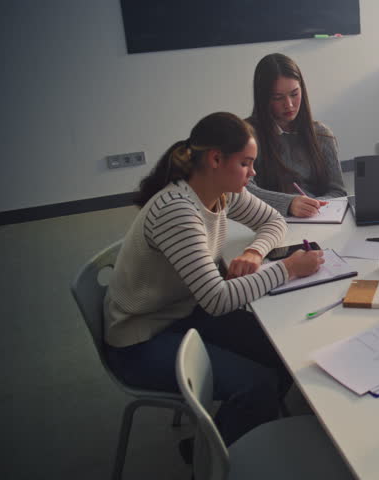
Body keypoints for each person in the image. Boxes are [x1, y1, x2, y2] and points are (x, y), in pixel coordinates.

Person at [103, 112, 325, 445]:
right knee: (257, 383)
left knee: (280, 351)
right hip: (140, 339)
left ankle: (233, 432)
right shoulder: (178, 211)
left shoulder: (222, 190)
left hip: (180, 312)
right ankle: (214, 454)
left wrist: (254, 253)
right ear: (216, 159)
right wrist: (288, 268)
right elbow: (217, 299)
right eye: (246, 164)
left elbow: (274, 221)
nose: (252, 174)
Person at [246, 53, 347, 218]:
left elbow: (338, 191)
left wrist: (314, 205)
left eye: (294, 94)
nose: (289, 105)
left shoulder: (321, 134)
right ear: (263, 98)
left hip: (316, 220)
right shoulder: (248, 136)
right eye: (278, 98)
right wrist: (288, 203)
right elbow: (241, 192)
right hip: (270, 223)